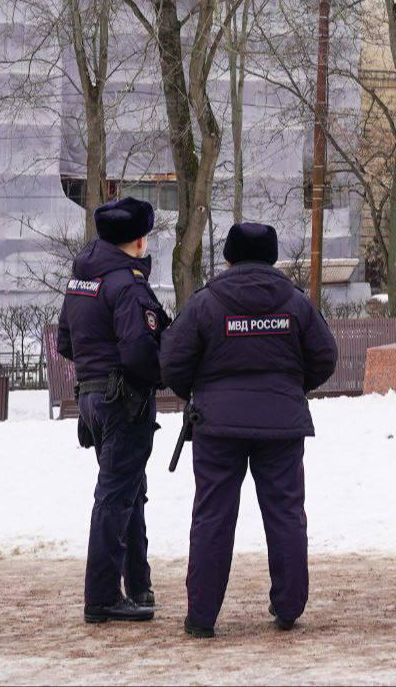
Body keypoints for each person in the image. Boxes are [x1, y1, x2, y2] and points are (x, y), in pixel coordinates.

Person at [161, 222, 338, 638]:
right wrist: (290, 389)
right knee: (285, 514)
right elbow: (325, 355)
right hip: (281, 425)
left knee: (212, 517)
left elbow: (172, 361)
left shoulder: (206, 303)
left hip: (216, 429)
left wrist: (199, 394)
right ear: (273, 256)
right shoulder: (296, 303)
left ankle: (201, 616)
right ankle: (289, 607)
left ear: (229, 256)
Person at [57, 197, 171, 624]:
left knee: (128, 493)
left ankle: (138, 585)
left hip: (91, 397)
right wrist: (165, 373)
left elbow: (66, 342)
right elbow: (141, 350)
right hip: (123, 400)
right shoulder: (127, 285)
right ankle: (102, 596)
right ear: (139, 240)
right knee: (115, 498)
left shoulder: (82, 280)